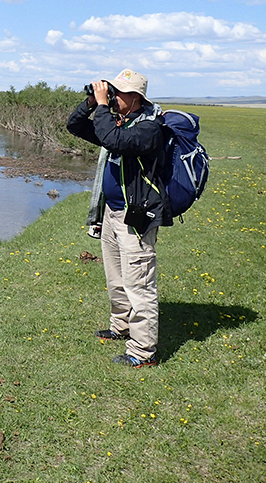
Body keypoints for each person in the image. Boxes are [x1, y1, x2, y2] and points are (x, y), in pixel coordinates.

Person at [66, 68, 171, 367]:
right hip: (112, 213)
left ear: (135, 98)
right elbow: (74, 126)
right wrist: (90, 103)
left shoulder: (149, 128)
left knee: (139, 283)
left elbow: (113, 141)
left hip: (136, 216)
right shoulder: (121, 122)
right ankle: (121, 327)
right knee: (116, 278)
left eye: (117, 92)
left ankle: (142, 352)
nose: (111, 96)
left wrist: (101, 107)